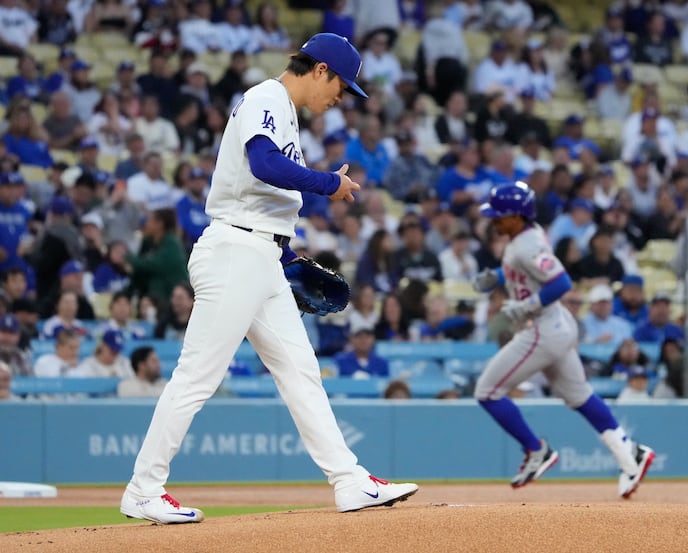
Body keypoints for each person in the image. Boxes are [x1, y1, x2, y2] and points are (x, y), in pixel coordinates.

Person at [120, 33, 418, 525]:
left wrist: (284, 253)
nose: (340, 99)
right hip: (236, 251)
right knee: (197, 377)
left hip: (262, 255)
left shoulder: (284, 112)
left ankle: (349, 481)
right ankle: (143, 489)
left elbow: (265, 189)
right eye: (341, 86)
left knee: (301, 373)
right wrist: (330, 183)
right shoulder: (266, 97)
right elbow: (263, 164)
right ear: (320, 69)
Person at [471, 182, 654, 495]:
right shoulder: (525, 236)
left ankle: (535, 449)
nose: (494, 220)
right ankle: (631, 455)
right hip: (556, 326)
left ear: (517, 216)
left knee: (487, 392)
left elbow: (561, 282)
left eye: (500, 215)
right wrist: (498, 277)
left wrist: (527, 305)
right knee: (579, 396)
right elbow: (524, 269)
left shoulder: (527, 244)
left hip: (542, 329)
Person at [582, 284, 632, 349]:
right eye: (600, 303)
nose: (604, 306)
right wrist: (595, 342)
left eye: (607, 302)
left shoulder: (623, 324)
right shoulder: (582, 324)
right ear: (591, 304)